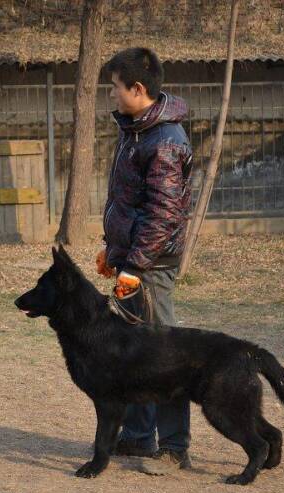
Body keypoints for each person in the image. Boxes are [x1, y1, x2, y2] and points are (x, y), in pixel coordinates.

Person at [96, 47, 194, 470]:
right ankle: (138, 438)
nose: (112, 95)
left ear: (137, 89)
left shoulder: (166, 141)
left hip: (150, 268)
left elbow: (164, 214)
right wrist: (114, 251)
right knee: (134, 354)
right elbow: (130, 202)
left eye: (115, 87)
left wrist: (135, 265)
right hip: (134, 261)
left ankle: (174, 448)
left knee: (163, 354)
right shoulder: (137, 130)